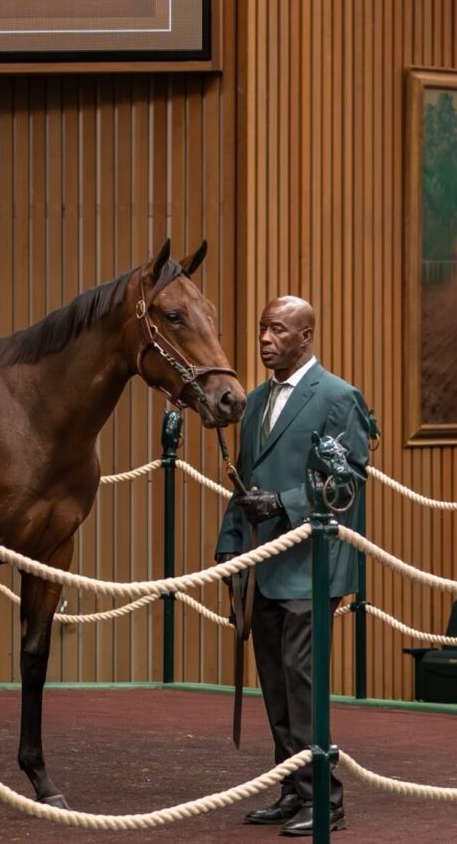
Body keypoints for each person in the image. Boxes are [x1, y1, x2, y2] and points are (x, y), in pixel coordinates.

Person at [215, 295, 369, 837]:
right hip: (262, 566)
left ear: (305, 337)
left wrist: (284, 503)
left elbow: (347, 478)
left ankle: (326, 799)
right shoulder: (254, 401)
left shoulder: (337, 397)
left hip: (310, 565)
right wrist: (229, 551)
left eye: (277, 331)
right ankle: (292, 787)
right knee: (275, 685)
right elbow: (241, 478)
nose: (264, 339)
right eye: (262, 329)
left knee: (303, 684)